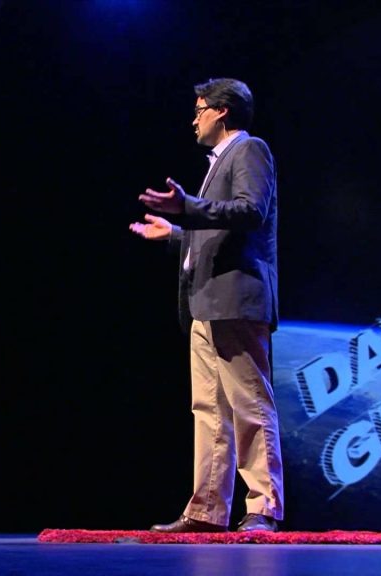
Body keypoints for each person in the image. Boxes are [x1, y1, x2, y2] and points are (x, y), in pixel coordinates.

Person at [129, 78, 283, 533]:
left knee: (249, 403)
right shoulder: (217, 162)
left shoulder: (250, 149)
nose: (193, 118)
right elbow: (216, 228)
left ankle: (263, 506)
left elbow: (249, 211)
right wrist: (176, 234)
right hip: (206, 301)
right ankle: (206, 510)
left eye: (199, 109)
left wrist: (188, 207)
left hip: (236, 298)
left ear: (222, 111)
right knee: (209, 409)